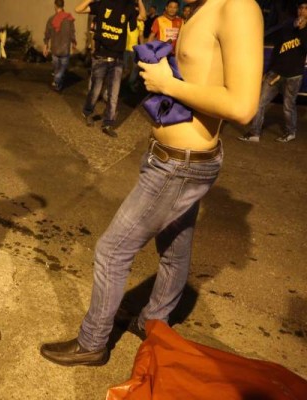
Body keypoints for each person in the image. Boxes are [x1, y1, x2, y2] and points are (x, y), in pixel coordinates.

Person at [40, 0, 262, 367]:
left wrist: (168, 84)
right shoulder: (204, 7)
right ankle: (154, 324)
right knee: (174, 251)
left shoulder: (238, 6)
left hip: (180, 165)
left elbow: (242, 106)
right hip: (170, 157)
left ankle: (93, 342)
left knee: (111, 251)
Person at [239, 0, 307, 143]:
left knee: (288, 106)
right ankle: (254, 133)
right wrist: (269, 69)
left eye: (306, 9)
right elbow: (277, 49)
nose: (303, 11)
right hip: (275, 73)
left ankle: (290, 132)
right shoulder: (288, 24)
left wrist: (302, 30)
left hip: (293, 75)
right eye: (301, 8)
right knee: (260, 102)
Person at [77, 0, 144, 138]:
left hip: (117, 59)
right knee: (95, 91)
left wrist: (140, 1)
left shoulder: (128, 6)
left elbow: (142, 17)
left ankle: (108, 123)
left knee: (113, 95)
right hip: (101, 57)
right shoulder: (103, 3)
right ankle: (87, 112)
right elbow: (79, 9)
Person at [43, 0, 78, 92]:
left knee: (57, 69)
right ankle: (58, 83)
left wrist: (45, 46)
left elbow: (47, 34)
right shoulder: (69, 18)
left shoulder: (51, 19)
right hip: (65, 49)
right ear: (63, 5)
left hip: (54, 49)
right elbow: (72, 33)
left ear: (55, 5)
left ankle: (57, 81)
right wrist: (74, 43)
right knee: (62, 69)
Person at [123, 0, 146, 91]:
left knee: (135, 68)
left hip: (134, 49)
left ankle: (130, 83)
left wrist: (143, 49)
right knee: (124, 68)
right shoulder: (126, 19)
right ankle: (122, 84)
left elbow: (141, 36)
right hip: (123, 48)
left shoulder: (140, 22)